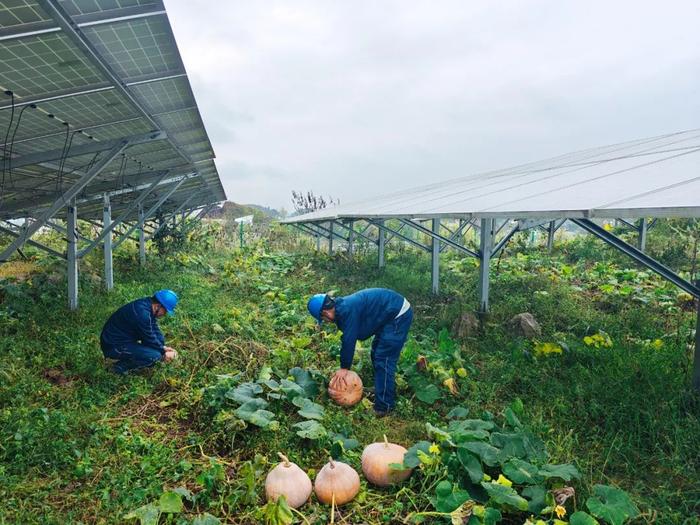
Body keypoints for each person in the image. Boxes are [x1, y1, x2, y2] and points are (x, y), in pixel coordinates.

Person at [307, 288, 413, 416]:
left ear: (325, 312)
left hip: (398, 314)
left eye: (323, 319)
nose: (326, 322)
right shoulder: (341, 308)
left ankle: (384, 406)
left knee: (383, 358)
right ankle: (382, 389)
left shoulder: (346, 311)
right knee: (376, 353)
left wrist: (344, 368)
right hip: (388, 313)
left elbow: (349, 340)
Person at [100, 289, 179, 375]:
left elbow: (154, 329)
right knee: (154, 356)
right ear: (158, 306)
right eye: (165, 311)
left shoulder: (147, 306)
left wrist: (163, 347)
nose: (164, 314)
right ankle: (116, 368)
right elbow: (149, 339)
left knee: (157, 350)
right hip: (113, 346)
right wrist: (163, 352)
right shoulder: (142, 314)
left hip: (122, 341)